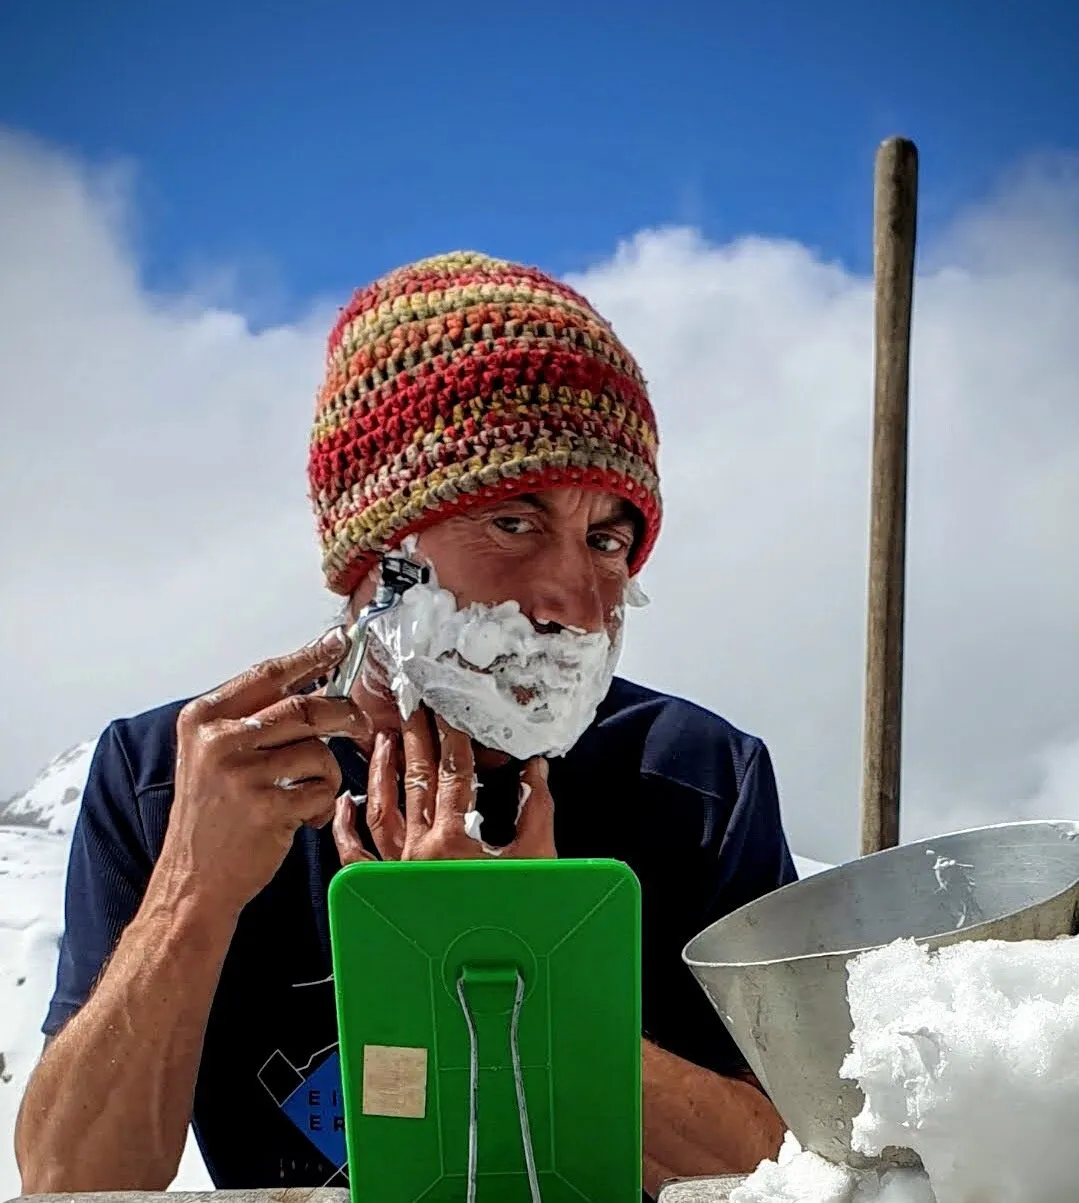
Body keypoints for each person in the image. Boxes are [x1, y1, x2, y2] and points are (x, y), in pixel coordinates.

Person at [15, 251, 795, 1201]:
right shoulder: (173, 776)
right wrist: (191, 894)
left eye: (607, 538)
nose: (576, 603)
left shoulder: (696, 779)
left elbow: (787, 1169)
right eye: (512, 520)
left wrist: (516, 955)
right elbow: (73, 1181)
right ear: (375, 559)